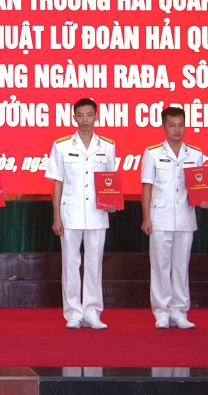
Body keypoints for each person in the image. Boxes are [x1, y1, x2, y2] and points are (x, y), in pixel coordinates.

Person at [46, 98, 119, 330]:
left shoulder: (107, 145)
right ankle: (73, 313)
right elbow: (57, 183)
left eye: (89, 115)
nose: (85, 120)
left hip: (97, 213)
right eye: (81, 115)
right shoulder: (61, 145)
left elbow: (110, 180)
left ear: (96, 116)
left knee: (94, 264)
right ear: (74, 117)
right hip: (70, 212)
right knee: (70, 264)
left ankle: (92, 312)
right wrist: (56, 216)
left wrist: (112, 201)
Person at [140, 106, 208, 329]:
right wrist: (146, 218)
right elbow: (146, 188)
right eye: (172, 125)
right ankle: (161, 312)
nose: (177, 130)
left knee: (181, 266)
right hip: (160, 217)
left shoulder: (195, 154)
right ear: (164, 127)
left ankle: (180, 311)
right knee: (160, 266)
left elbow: (198, 186)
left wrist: (203, 199)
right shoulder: (152, 153)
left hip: (185, 217)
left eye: (180, 125)